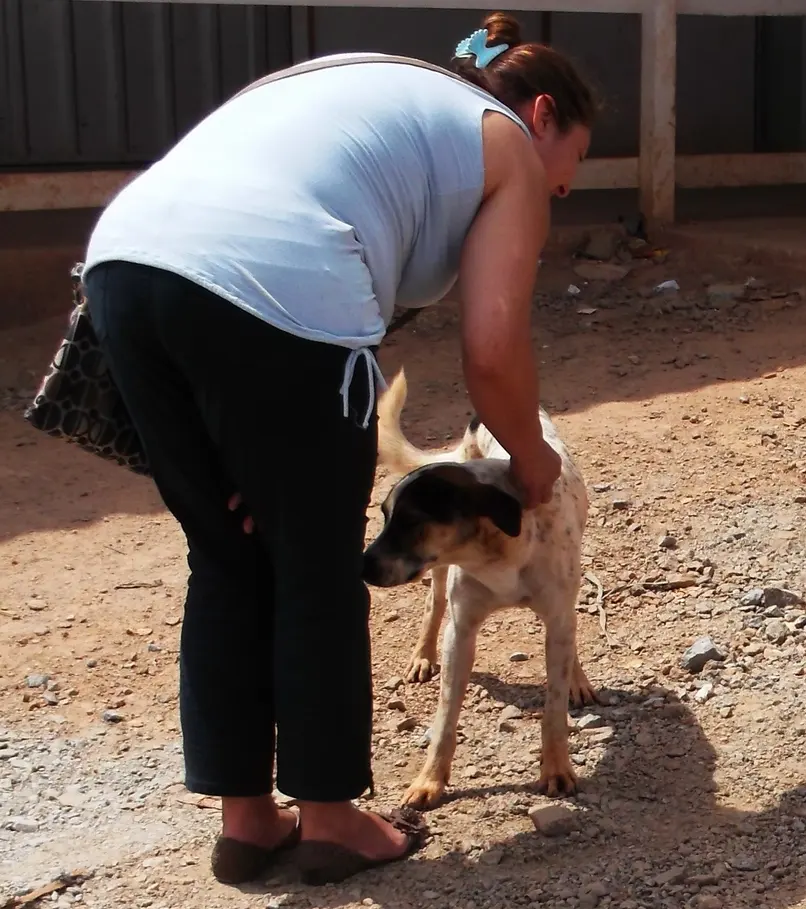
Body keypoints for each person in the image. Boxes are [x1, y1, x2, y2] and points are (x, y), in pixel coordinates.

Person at [80, 11, 597, 887]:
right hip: (272, 276)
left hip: (125, 264)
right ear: (541, 115)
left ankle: (247, 821)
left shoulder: (378, 91)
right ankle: (331, 818)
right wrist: (531, 461)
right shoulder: (504, 143)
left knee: (229, 545)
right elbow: (492, 349)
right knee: (319, 561)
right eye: (572, 170)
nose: (559, 194)